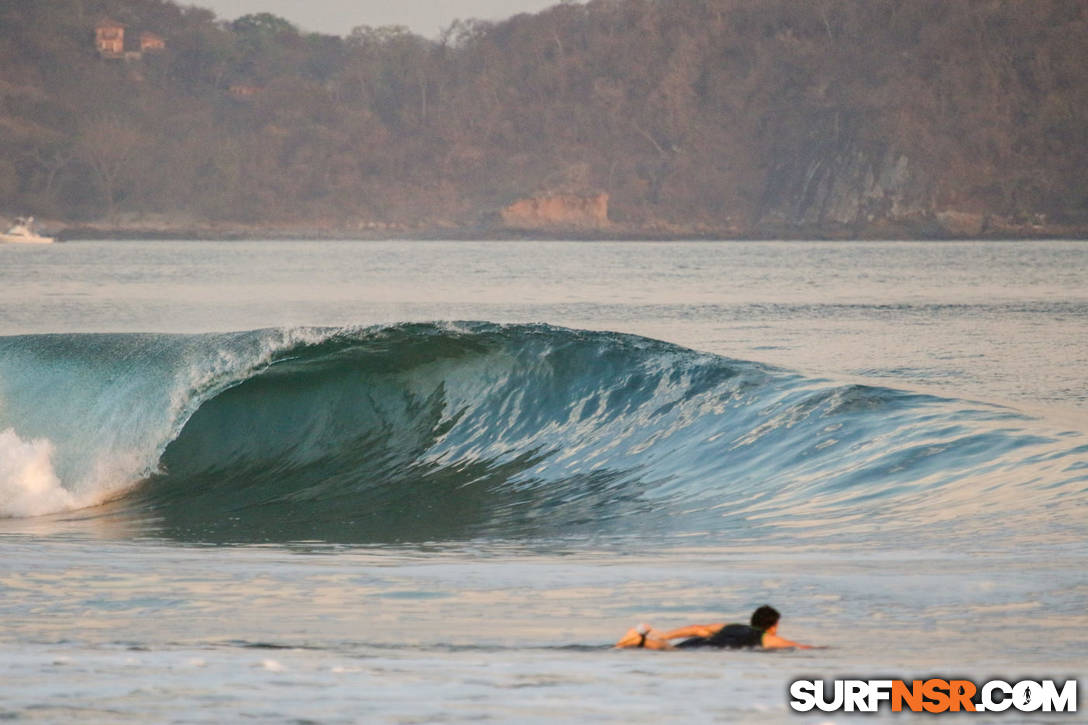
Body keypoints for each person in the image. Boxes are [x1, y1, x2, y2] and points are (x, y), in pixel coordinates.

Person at [614, 605, 811, 650]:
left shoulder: (731, 626)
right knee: (670, 652)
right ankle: (637, 639)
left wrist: (665, 635)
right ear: (773, 625)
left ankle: (640, 638)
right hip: (708, 648)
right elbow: (796, 646)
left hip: (698, 642)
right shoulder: (766, 637)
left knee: (669, 648)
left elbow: (697, 628)